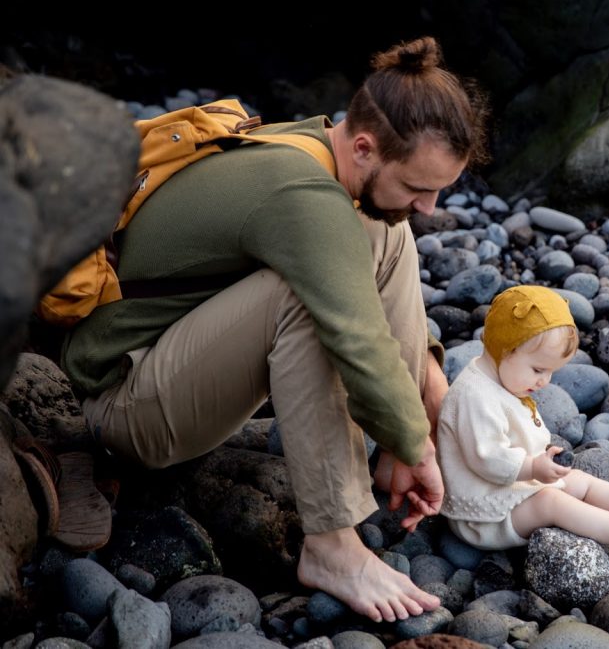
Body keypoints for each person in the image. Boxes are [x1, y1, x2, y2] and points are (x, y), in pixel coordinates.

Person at [61, 36, 489, 623]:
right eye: (420, 187)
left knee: (386, 228)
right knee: (304, 298)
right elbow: (357, 338)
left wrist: (417, 418)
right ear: (364, 145)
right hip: (125, 406)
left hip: (176, 356)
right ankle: (332, 547)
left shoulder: (313, 142)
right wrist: (417, 449)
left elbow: (377, 254)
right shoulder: (304, 194)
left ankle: (423, 415)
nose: (430, 205)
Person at [437, 285, 609, 568]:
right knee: (551, 502)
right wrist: (533, 467)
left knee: (577, 480)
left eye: (551, 371)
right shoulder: (474, 396)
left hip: (511, 489)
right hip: (484, 516)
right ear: (505, 349)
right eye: (538, 370)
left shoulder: (503, 380)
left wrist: (541, 458)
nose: (545, 381)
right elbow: (487, 457)